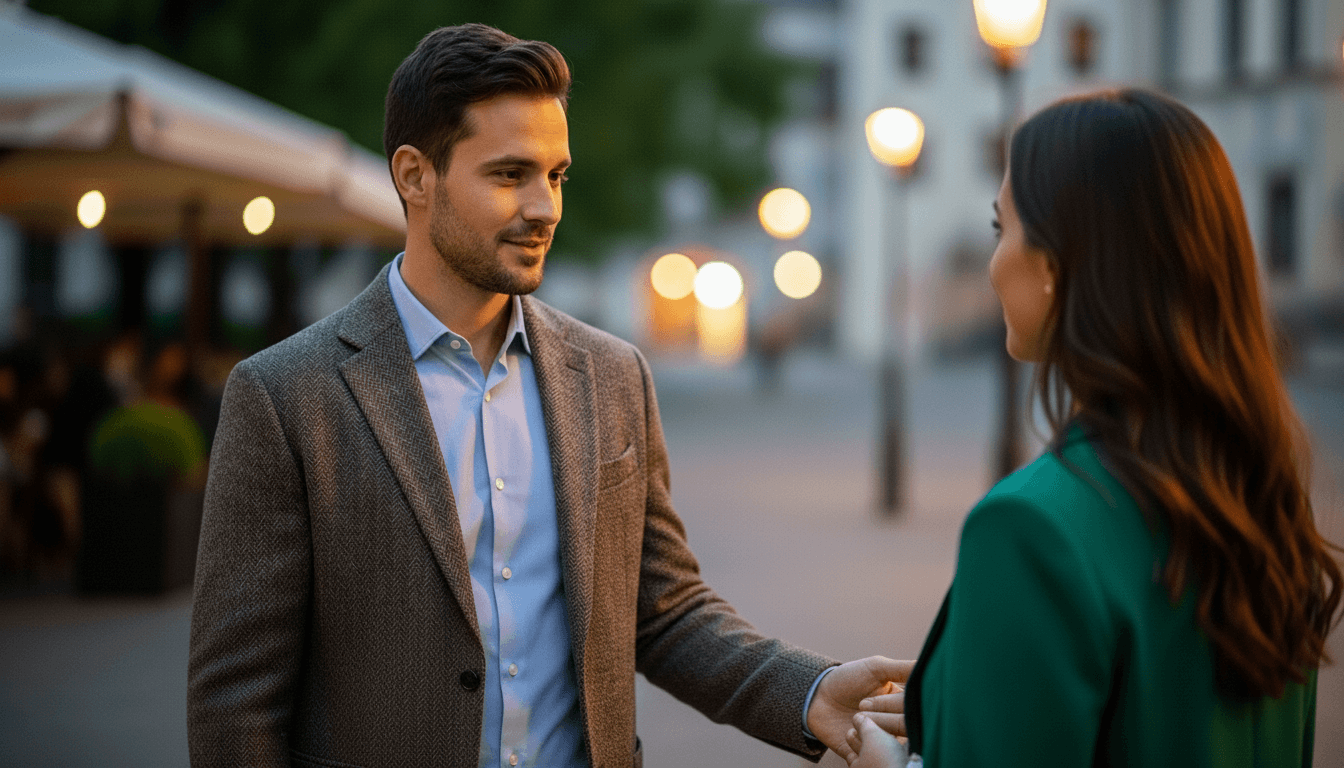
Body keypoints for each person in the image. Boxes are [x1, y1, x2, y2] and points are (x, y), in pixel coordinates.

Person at [187, 23, 907, 768]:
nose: (546, 208)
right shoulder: (284, 396)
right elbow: (236, 705)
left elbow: (662, 610)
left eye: (556, 175)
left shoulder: (612, 375)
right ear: (414, 176)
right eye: (509, 175)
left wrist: (808, 691)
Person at [847, 88, 1341, 767]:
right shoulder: (1258, 498)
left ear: (1054, 265)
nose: (993, 267)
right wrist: (958, 709)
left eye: (1002, 230)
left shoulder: (1032, 530)